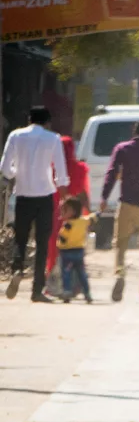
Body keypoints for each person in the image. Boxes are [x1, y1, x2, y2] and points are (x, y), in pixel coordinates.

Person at [2, 107, 68, 302]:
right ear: (47, 122)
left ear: (29, 119)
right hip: (45, 196)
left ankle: (17, 269)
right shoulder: (53, 138)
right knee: (42, 244)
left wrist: (17, 173)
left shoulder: (15, 135)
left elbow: (5, 168)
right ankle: (37, 290)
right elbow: (61, 172)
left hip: (22, 195)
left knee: (20, 239)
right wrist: (64, 193)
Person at [100, 120, 139, 302]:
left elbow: (112, 172)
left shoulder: (122, 148)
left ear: (134, 131)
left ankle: (120, 275)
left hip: (127, 204)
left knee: (120, 245)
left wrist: (104, 197)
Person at [45, 134, 91, 297]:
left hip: (54, 215)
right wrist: (88, 215)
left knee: (53, 250)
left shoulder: (50, 168)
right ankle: (76, 285)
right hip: (75, 218)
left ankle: (51, 285)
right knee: (75, 251)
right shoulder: (80, 168)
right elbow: (84, 194)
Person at [56, 195, 96, 304]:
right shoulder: (83, 221)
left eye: (65, 210)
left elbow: (63, 238)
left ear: (72, 212)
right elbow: (92, 218)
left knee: (66, 272)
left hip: (67, 252)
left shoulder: (68, 225)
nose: (62, 213)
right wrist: (98, 213)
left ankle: (67, 291)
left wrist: (59, 244)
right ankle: (87, 293)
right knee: (81, 273)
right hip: (79, 251)